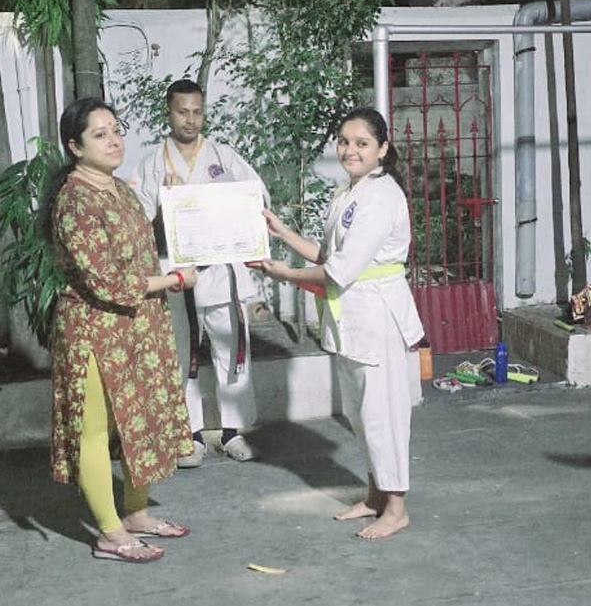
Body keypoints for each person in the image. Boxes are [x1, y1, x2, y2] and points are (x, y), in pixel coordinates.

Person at [258, 107, 424, 539]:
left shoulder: (381, 197)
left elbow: (338, 270)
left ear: (382, 149)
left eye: (362, 143)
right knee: (360, 413)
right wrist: (283, 233)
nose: (351, 150)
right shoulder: (349, 192)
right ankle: (375, 496)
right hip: (351, 317)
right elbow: (329, 254)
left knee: (383, 415)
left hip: (377, 318)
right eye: (345, 142)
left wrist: (285, 274)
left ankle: (397, 508)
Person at [45, 98, 199, 562]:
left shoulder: (121, 191)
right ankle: (110, 534)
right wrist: (173, 281)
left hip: (137, 328)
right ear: (75, 147)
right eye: (100, 134)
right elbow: (106, 281)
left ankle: (135, 513)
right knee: (95, 432)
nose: (114, 141)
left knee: (140, 418)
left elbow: (138, 249)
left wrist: (172, 211)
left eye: (116, 130)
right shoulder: (74, 202)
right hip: (94, 331)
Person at [129, 79, 268, 467]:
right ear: (168, 113)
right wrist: (165, 205)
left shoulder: (224, 157)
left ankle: (233, 431)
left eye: (196, 112)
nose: (190, 120)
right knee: (179, 355)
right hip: (176, 276)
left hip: (222, 273)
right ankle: (188, 435)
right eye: (182, 112)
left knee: (232, 351)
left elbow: (258, 197)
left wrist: (229, 201)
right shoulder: (151, 165)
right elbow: (136, 224)